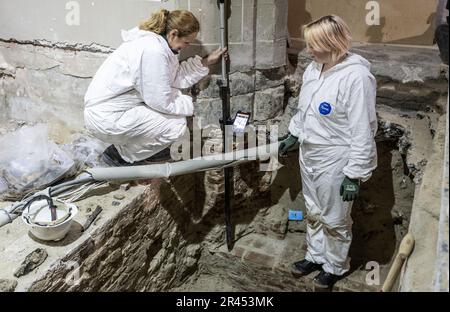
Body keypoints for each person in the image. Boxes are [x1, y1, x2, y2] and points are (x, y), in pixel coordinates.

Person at [279, 15, 377, 288]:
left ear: (332, 43)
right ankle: (315, 255)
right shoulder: (314, 68)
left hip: (336, 157)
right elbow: (305, 107)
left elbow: (363, 129)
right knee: (313, 209)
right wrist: (294, 133)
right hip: (310, 152)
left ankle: (334, 265)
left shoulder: (356, 77)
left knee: (335, 216)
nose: (309, 50)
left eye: (314, 45)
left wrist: (355, 173)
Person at [84, 9, 226, 166]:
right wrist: (188, 104)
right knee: (176, 126)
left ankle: (125, 151)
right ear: (173, 34)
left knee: (173, 122)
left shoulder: (158, 46)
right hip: (107, 118)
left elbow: (175, 76)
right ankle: (119, 157)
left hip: (111, 112)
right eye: (186, 42)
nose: (186, 47)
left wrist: (206, 62)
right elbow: (160, 101)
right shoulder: (153, 51)